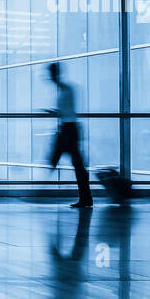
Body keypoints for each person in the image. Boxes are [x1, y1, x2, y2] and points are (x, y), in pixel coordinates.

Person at [46, 61, 92, 208]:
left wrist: (55, 113)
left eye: (51, 74)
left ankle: (40, 187)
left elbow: (67, 111)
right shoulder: (64, 89)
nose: (50, 77)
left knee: (74, 163)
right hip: (68, 129)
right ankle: (85, 197)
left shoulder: (66, 90)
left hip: (69, 129)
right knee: (77, 164)